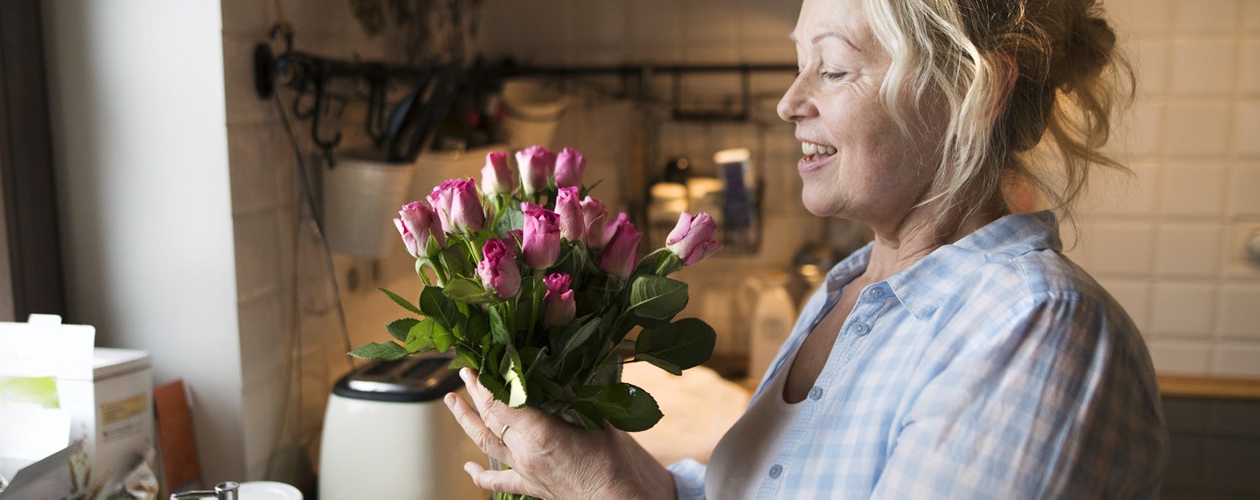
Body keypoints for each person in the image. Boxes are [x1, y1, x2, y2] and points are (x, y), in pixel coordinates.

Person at [443, 0, 1168, 497]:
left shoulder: (1033, 327)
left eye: (833, 67)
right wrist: (615, 472)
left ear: (971, 96)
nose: (790, 101)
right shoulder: (849, 291)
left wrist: (605, 493)